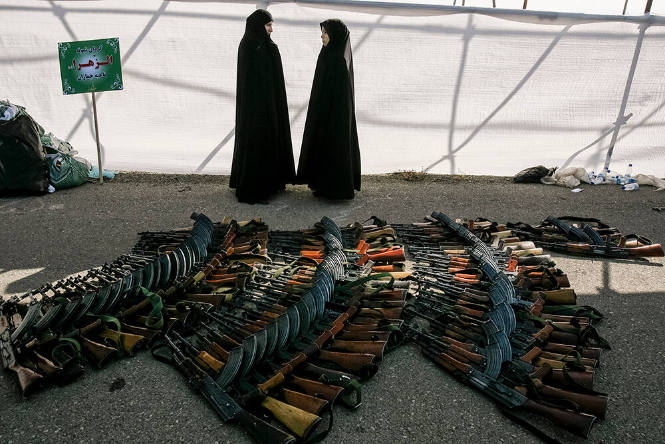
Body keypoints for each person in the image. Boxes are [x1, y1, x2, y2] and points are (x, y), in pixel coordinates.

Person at [230, 9, 295, 204]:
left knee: (269, 140)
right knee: (257, 143)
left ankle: (272, 183)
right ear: (258, 25)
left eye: (271, 25)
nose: (271, 30)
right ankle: (257, 188)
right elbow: (251, 81)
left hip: (269, 105)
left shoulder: (265, 45)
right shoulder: (249, 46)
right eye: (268, 25)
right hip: (255, 110)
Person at [296, 19, 360, 199]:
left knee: (334, 146)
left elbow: (339, 95)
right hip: (323, 111)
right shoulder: (327, 53)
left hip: (335, 115)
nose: (322, 36)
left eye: (325, 32)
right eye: (322, 32)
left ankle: (335, 189)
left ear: (335, 35)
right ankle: (322, 185)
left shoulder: (339, 59)